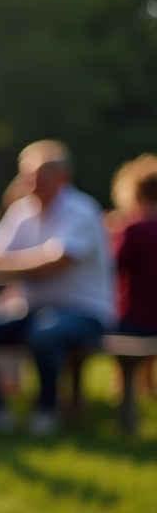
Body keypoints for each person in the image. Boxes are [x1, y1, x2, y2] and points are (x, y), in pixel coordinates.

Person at [0, 140, 116, 434]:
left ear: (62, 177)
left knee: (44, 334)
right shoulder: (23, 210)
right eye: (27, 175)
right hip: (34, 310)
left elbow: (56, 261)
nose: (31, 183)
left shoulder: (81, 210)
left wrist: (1, 264)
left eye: (39, 176)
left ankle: (47, 412)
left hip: (85, 312)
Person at [109, 153, 157, 398]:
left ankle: (124, 392)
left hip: (136, 318)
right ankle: (146, 388)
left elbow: (112, 267)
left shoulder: (134, 228)